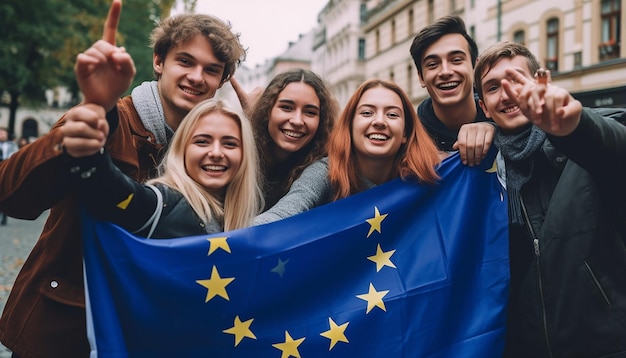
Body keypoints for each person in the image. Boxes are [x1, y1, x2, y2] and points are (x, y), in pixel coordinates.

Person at [0, 0, 247, 356]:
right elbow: (13, 198)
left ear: (221, 81)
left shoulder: (214, 153)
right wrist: (70, 137)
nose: (196, 77)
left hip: (146, 335)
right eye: (185, 61)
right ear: (159, 62)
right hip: (65, 329)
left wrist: (265, 133)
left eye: (212, 69)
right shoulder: (106, 117)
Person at [474, 41, 626, 357]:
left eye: (515, 80)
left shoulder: (591, 130)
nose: (507, 94)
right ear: (484, 107)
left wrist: (575, 127)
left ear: (542, 81)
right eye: (493, 88)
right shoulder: (483, 177)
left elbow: (616, 149)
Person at [63, 98, 263, 237]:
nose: (217, 152)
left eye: (230, 143)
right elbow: (110, 188)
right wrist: (102, 106)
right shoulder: (162, 203)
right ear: (182, 149)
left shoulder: (237, 219)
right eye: (202, 141)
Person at [255, 79, 442, 225]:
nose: (379, 121)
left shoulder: (429, 172)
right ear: (350, 128)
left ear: (405, 134)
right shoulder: (325, 172)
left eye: (392, 114)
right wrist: (230, 242)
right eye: (367, 113)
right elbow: (284, 212)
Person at [409, 15, 495, 166]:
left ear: (476, 68)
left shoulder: (505, 122)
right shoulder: (409, 142)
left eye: (456, 60)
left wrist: (495, 129)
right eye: (432, 64)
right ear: (421, 77)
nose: (445, 72)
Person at [248, 68, 339, 210]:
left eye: (310, 112)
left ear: (321, 120)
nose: (297, 121)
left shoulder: (325, 169)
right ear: (267, 110)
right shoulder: (240, 154)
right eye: (286, 107)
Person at [0, 127, 18, 225]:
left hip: (6, 169)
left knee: (4, 193)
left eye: (3, 133)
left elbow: (15, 156)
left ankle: (4, 217)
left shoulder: (11, 145)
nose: (1, 135)